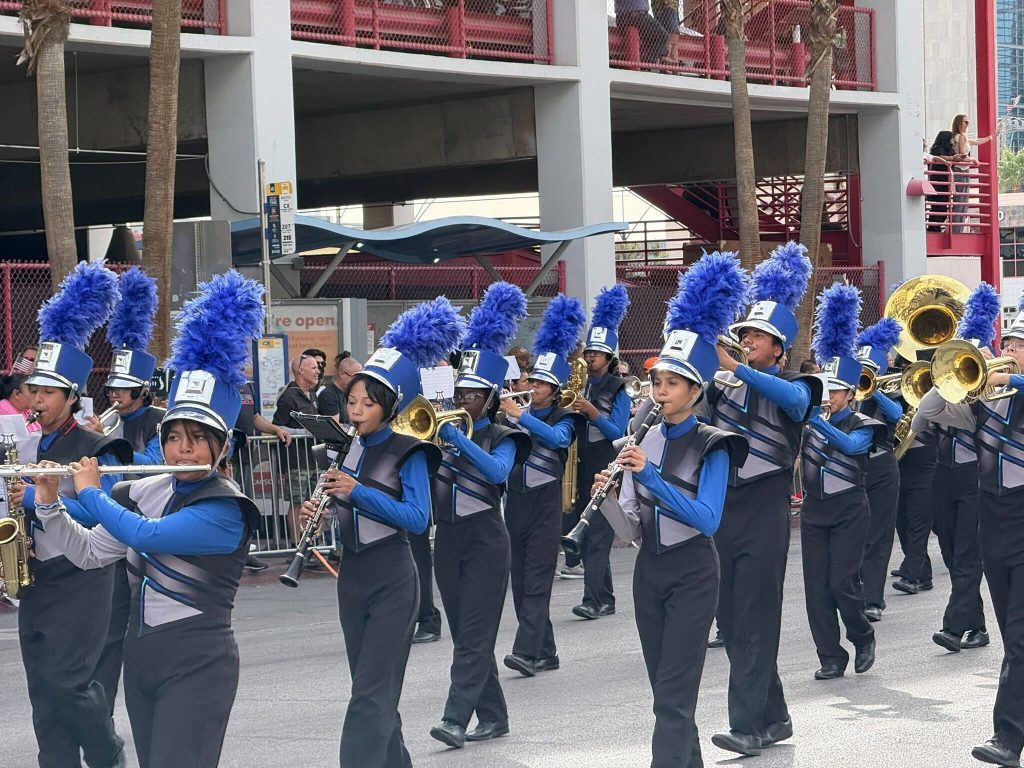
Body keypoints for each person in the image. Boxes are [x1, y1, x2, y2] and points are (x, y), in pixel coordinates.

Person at [28, 269, 265, 768]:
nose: (182, 449)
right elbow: (92, 552)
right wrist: (48, 502)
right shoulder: (149, 488)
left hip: (199, 661)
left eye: (197, 439)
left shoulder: (227, 508)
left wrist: (92, 491)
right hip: (142, 659)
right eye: (175, 436)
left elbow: (148, 536)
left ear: (222, 449)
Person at [599, 249, 748, 768]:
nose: (658, 391)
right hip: (650, 570)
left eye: (670, 383)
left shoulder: (716, 443)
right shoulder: (643, 438)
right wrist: (607, 501)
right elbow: (633, 528)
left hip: (693, 572)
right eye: (656, 382)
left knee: (673, 697)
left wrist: (649, 476)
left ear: (694, 389)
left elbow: (707, 519)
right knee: (665, 696)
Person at [299, 297, 458, 768]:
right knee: (374, 694)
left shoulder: (409, 451)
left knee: (369, 696)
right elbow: (342, 505)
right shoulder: (346, 448)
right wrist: (318, 513)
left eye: (368, 402)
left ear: (388, 406)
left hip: (393, 577)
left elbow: (416, 519)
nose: (357, 409)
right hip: (353, 578)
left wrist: (357, 491)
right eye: (352, 400)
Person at [9, 261, 133, 768]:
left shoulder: (100, 444)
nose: (36, 400)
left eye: (47, 393)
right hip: (36, 574)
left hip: (82, 575)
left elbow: (102, 505)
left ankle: (105, 750)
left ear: (71, 396)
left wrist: (40, 492)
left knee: (69, 681)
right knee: (43, 691)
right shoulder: (33, 439)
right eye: (33, 391)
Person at [708, 242, 822, 757]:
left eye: (756, 337)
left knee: (755, 616)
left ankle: (748, 726)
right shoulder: (722, 386)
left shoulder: (798, 383)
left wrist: (739, 367)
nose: (746, 341)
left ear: (777, 348)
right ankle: (774, 716)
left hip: (766, 508)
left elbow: (795, 403)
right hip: (723, 510)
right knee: (731, 621)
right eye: (744, 333)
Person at [912, 292, 1024, 768]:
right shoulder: (983, 403)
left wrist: (1010, 375)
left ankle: (1008, 738)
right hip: (995, 522)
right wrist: (957, 369)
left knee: (1019, 638)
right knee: (1010, 632)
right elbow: (928, 413)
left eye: (1022, 345)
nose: (1013, 349)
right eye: (1011, 342)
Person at [428, 283, 531, 749]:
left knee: (474, 632)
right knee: (465, 631)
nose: (464, 399)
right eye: (461, 391)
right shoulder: (441, 432)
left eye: (473, 394)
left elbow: (495, 473)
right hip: (447, 539)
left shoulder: (505, 435)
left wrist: (459, 440)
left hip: (487, 538)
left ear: (490, 398)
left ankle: (454, 718)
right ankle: (493, 714)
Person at [800, 284, 884, 680]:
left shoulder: (863, 423)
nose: (828, 396)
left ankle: (862, 634)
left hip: (850, 508)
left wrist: (818, 421)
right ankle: (830, 656)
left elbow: (852, 447)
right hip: (815, 510)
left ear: (850, 393)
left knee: (842, 582)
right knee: (816, 590)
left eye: (834, 391)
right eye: (824, 390)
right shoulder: (808, 421)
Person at [500, 295, 586, 677]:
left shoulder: (566, 415)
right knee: (519, 583)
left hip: (546, 503)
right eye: (531, 380)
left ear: (555, 390)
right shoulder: (515, 411)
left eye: (540, 384)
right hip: (515, 502)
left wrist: (521, 417)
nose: (532, 387)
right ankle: (546, 650)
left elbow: (557, 441)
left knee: (536, 580)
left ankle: (526, 651)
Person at [913, 283, 995, 653]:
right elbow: (923, 415)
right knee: (951, 554)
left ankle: (952, 627)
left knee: (966, 556)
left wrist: (979, 371)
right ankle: (976, 627)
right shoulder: (951, 399)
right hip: (942, 480)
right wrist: (945, 373)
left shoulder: (987, 404)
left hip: (975, 481)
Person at [564, 286, 631, 620]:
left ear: (610, 358)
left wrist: (592, 413)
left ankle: (592, 599)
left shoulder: (620, 388)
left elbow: (619, 432)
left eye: (597, 354)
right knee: (588, 530)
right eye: (588, 352)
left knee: (596, 532)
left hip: (606, 462)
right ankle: (605, 598)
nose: (590, 357)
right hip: (579, 461)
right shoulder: (579, 382)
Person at [854, 318, 903, 623]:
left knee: (879, 534)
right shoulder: (843, 391)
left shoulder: (891, 387)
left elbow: (897, 414)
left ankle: (873, 598)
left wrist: (872, 390)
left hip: (882, 464)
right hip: (851, 466)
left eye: (868, 371)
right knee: (854, 533)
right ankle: (852, 592)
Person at [891, 353, 938, 596]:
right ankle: (922, 571)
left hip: (927, 464)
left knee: (918, 522)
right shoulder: (903, 394)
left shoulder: (943, 395)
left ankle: (912, 574)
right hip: (902, 463)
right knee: (901, 520)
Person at [233, 380, 292, 571]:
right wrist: (236, 435)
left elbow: (255, 417)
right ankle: (229, 552)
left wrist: (276, 429)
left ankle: (244, 552)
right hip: (227, 455)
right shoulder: (221, 380)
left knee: (245, 504)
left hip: (246, 456)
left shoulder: (247, 386)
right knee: (229, 504)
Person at [272, 354, 321, 545]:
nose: (317, 371)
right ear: (301, 371)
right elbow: (278, 426)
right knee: (298, 502)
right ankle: (297, 544)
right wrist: (306, 432)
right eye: (313, 368)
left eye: (317, 367)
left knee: (313, 502)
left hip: (312, 458)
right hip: (295, 461)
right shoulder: (289, 396)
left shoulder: (312, 395)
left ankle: (310, 543)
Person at [951, 113, 994, 233]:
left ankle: (957, 229)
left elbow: (976, 141)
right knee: (961, 200)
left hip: (964, 169)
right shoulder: (959, 137)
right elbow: (961, 156)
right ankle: (956, 230)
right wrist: (973, 159)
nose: (967, 124)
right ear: (959, 123)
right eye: (965, 122)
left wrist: (991, 137)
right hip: (960, 169)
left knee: (963, 200)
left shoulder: (962, 137)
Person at [926, 131, 958, 232]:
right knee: (937, 206)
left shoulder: (950, 149)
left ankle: (936, 227)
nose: (952, 140)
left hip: (946, 182)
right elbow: (938, 157)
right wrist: (952, 158)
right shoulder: (937, 149)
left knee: (943, 208)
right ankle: (933, 228)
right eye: (951, 138)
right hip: (938, 181)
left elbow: (954, 157)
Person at [318, 354, 362, 422]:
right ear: (342, 374)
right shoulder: (328, 395)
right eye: (354, 377)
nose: (358, 381)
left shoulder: (351, 394)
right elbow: (335, 427)